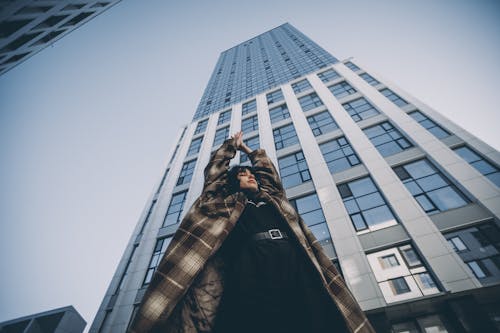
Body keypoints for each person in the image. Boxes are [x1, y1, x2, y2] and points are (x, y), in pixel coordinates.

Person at [129, 132, 374, 333]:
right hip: (250, 264)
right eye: (243, 175)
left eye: (251, 174)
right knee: (253, 320)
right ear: (234, 182)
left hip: (294, 260)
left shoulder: (273, 198)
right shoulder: (222, 202)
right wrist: (230, 147)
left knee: (315, 318)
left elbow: (268, 173)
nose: (250, 176)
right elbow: (214, 173)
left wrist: (250, 151)